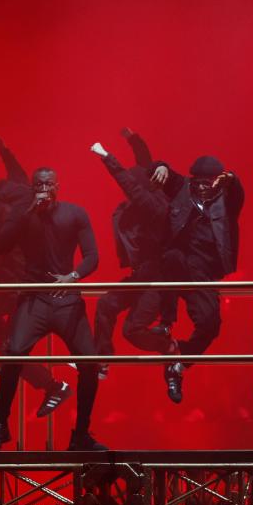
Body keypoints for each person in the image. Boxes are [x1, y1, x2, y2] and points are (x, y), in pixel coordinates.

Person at [0, 167, 106, 451]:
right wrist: (28, 212)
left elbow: (92, 256)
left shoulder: (75, 213)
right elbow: (1, 245)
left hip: (66, 298)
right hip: (33, 297)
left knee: (89, 362)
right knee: (12, 355)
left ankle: (81, 435)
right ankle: (1, 425)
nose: (43, 188)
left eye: (48, 183)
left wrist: (73, 277)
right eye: (38, 184)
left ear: (57, 186)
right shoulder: (23, 214)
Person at [0, 136, 73, 418]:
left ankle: (52, 384)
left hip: (22, 283)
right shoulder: (19, 202)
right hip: (16, 281)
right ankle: (41, 378)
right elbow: (17, 175)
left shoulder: (12, 210)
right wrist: (5, 150)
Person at [147, 155, 244, 403]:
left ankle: (178, 364)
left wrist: (231, 179)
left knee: (211, 325)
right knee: (171, 257)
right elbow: (161, 170)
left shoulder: (226, 201)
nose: (201, 187)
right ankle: (166, 321)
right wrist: (161, 165)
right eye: (198, 181)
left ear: (217, 182)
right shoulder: (183, 189)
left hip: (203, 273)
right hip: (178, 266)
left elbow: (237, 192)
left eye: (207, 182)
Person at [90, 135, 178, 392]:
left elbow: (131, 183)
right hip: (141, 275)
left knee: (133, 330)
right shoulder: (137, 207)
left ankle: (168, 347)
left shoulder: (155, 207)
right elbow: (143, 166)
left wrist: (106, 156)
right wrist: (136, 140)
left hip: (158, 280)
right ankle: (102, 359)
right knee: (106, 305)